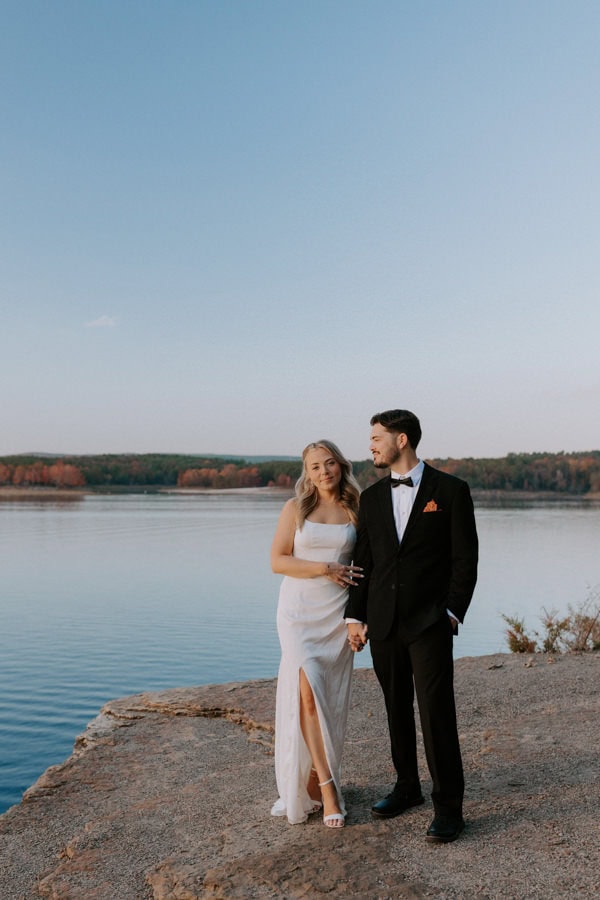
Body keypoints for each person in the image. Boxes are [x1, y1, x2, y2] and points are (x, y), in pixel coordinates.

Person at [345, 409, 478, 843]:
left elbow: (465, 560)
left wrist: (452, 613)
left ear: (401, 440)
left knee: (437, 713)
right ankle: (407, 788)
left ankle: (448, 808)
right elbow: (363, 563)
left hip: (429, 623)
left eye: (376, 438)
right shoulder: (371, 497)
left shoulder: (452, 491)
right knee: (395, 707)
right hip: (383, 622)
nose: (371, 445)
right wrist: (356, 616)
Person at [270, 440, 363, 828]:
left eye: (329, 464)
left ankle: (314, 774)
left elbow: (368, 563)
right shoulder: (296, 509)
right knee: (306, 694)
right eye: (314, 467)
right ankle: (327, 789)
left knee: (329, 700)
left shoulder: (356, 508)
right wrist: (324, 567)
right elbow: (278, 560)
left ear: (341, 466)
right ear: (306, 473)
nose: (323, 472)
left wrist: (360, 617)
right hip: (298, 613)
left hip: (337, 614)